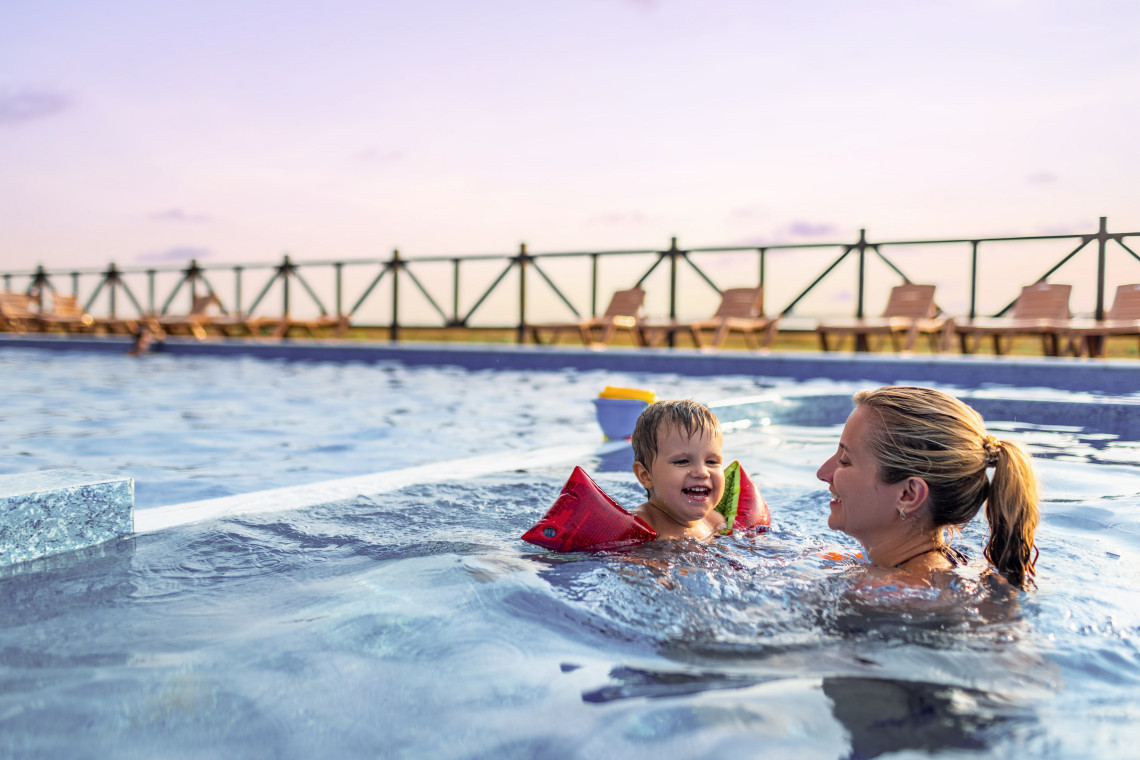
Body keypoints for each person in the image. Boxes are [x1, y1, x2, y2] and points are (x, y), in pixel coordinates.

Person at [816, 386, 1040, 590]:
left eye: (845, 460)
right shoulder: (952, 566)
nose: (823, 473)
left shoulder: (891, 593)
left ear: (909, 494)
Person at [630, 399, 727, 540]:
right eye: (682, 461)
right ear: (646, 476)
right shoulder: (640, 525)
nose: (702, 472)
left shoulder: (714, 521)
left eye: (711, 461)